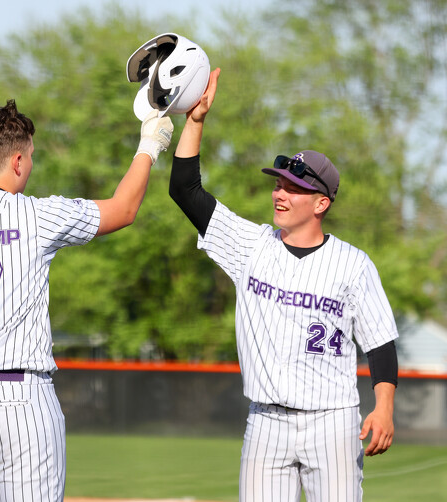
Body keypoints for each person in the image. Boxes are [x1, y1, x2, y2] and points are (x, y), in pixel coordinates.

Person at [0, 99, 173, 502]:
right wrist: (150, 145)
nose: (30, 165)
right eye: (30, 157)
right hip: (14, 397)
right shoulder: (33, 215)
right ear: (17, 161)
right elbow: (123, 209)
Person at [169, 68, 399, 502]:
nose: (280, 194)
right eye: (279, 184)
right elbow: (185, 190)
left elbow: (381, 344)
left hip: (332, 421)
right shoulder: (251, 246)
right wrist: (195, 121)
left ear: (321, 202)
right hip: (266, 421)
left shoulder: (353, 264)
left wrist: (384, 408)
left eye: (294, 188)